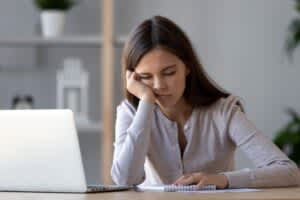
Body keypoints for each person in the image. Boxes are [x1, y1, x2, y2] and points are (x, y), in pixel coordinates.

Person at [111, 15, 300, 189]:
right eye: (146, 76)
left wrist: (224, 179)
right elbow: (125, 179)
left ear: (187, 67)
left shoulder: (223, 112)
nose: (159, 85)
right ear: (133, 78)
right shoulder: (131, 112)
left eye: (169, 72)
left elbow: (290, 172)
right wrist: (145, 103)